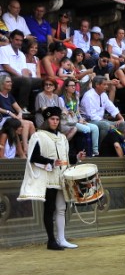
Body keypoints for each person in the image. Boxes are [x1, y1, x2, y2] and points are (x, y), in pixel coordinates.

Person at [18, 107, 86, 250]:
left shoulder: (62, 137)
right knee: (49, 209)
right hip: (49, 178)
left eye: (57, 119)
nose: (55, 122)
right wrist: (50, 162)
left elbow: (66, 157)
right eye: (52, 119)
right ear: (47, 120)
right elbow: (33, 157)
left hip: (62, 177)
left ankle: (61, 239)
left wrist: (77, 157)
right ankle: (51, 240)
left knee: (62, 209)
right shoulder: (38, 136)